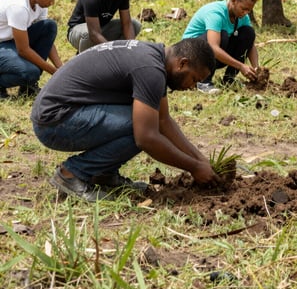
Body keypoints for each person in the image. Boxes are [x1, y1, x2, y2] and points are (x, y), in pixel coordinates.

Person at [31, 36, 223, 201]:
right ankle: (71, 173)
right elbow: (146, 137)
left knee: (148, 119)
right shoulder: (150, 69)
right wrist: (194, 167)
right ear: (182, 63)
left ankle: (103, 174)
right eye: (194, 79)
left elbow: (164, 121)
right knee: (143, 127)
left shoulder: (155, 59)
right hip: (56, 121)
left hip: (65, 112)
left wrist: (200, 160)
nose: (192, 87)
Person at [182, 0, 260, 93]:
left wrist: (257, 69)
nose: (246, 13)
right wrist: (241, 66)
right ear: (233, 1)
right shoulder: (216, 13)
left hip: (211, 56)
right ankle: (203, 82)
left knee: (248, 33)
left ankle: (229, 80)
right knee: (222, 36)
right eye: (243, 9)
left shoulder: (242, 16)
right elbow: (213, 47)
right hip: (190, 56)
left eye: (249, 10)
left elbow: (250, 44)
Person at [0, 0, 64, 99]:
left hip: (12, 40)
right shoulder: (18, 7)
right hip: (3, 44)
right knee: (31, 72)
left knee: (49, 26)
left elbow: (47, 41)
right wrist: (53, 71)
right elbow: (23, 50)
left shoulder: (40, 3)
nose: (52, 3)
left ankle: (28, 87)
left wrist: (61, 69)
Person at [66, 0, 142, 53]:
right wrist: (110, 51)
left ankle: (122, 55)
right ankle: (85, 60)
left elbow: (127, 24)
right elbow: (94, 33)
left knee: (135, 24)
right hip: (78, 32)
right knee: (87, 34)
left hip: (101, 29)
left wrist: (131, 48)